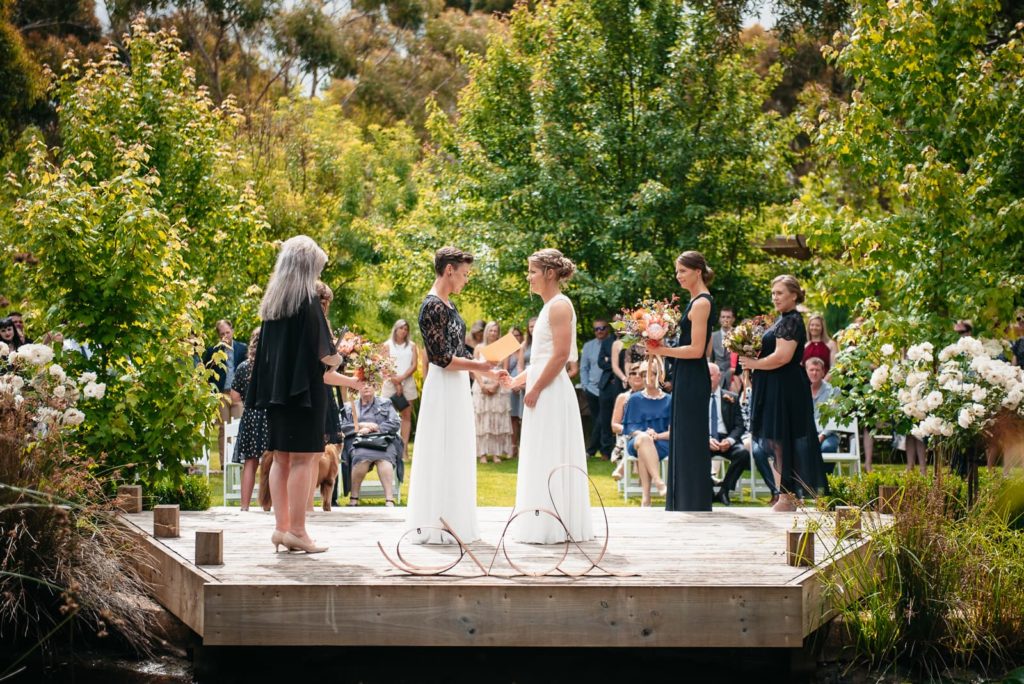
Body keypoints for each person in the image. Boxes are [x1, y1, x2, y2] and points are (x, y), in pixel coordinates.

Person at [246, 235, 363, 554]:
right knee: (305, 459)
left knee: (281, 459)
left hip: (277, 394)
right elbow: (325, 354)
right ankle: (298, 530)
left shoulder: (274, 303)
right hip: (305, 394)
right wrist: (343, 356)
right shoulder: (308, 302)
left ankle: (281, 528)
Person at [405, 247, 505, 544]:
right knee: (442, 449)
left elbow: (459, 351)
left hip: (457, 385)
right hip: (443, 386)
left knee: (457, 450)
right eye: (464, 273)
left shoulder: (448, 305)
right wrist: (479, 365)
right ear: (449, 270)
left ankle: (455, 518)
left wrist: (486, 367)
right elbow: (440, 357)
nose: (466, 279)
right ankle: (436, 522)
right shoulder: (432, 306)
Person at [504, 249, 593, 544]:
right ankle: (539, 521)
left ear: (549, 274)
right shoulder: (547, 308)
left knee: (551, 452)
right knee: (539, 454)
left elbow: (561, 356)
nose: (528, 277)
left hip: (552, 392)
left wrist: (538, 387)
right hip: (543, 385)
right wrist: (519, 379)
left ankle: (556, 524)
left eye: (532, 271)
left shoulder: (559, 306)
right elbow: (542, 357)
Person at [740, 275, 828, 512]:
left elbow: (782, 357)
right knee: (778, 442)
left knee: (784, 440)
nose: (775, 297)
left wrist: (754, 364)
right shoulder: (780, 320)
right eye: (773, 293)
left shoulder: (792, 321)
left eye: (779, 293)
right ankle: (786, 495)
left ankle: (788, 496)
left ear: (794, 295)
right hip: (773, 387)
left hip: (785, 389)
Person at [648, 251, 714, 512]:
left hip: (694, 374)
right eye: (676, 272)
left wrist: (662, 351)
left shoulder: (702, 303)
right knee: (683, 436)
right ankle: (683, 501)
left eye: (682, 271)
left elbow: (697, 350)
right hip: (686, 374)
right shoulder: (694, 301)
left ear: (697, 270)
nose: (678, 276)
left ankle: (693, 501)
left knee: (690, 437)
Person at [339, 382, 403, 507]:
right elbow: (343, 426)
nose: (366, 387)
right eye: (362, 385)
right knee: (361, 457)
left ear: (375, 387)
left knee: (385, 459)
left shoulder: (386, 403)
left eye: (369, 384)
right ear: (357, 388)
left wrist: (375, 428)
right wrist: (361, 425)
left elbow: (395, 423)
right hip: (359, 442)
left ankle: (389, 499)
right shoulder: (348, 406)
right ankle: (354, 498)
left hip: (383, 441)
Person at [620, 359, 671, 507]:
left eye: (651, 374)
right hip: (636, 441)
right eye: (643, 375)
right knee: (643, 439)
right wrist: (646, 435)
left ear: (659, 376)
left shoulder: (670, 400)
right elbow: (629, 429)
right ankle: (658, 481)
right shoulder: (635, 399)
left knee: (645, 447)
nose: (647, 378)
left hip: (662, 443)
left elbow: (674, 431)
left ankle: (646, 499)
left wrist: (657, 436)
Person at [229, 327, 268, 511]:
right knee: (274, 463)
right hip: (271, 416)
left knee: (250, 463)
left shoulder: (244, 367)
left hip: (251, 416)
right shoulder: (273, 365)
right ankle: (270, 506)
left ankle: (244, 507)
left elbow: (234, 396)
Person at [203, 319, 248, 467]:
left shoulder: (242, 349)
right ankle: (224, 463)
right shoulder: (212, 352)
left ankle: (237, 460)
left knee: (238, 427)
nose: (225, 336)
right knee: (223, 428)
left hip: (238, 395)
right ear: (218, 336)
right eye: (222, 334)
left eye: (228, 332)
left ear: (232, 331)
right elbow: (206, 374)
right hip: (222, 395)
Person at [707, 362, 751, 506]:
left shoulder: (731, 397)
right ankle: (707, 490)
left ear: (719, 377)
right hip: (705, 440)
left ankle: (724, 490)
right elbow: (693, 425)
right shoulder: (697, 398)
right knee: (694, 453)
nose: (707, 378)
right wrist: (706, 439)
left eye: (711, 375)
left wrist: (730, 440)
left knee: (743, 454)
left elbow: (740, 425)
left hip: (726, 438)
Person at [473, 321, 514, 463]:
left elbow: (505, 368)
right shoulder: (479, 347)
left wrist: (496, 385)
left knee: (496, 420)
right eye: (491, 330)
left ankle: (496, 453)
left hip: (498, 387)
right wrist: (483, 385)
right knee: (482, 420)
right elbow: (474, 368)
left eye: (496, 331)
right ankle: (482, 453)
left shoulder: (503, 348)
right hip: (481, 386)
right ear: (486, 332)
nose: (493, 333)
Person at [381, 319, 420, 452]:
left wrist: (402, 379)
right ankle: (388, 446)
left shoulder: (412, 346)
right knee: (387, 415)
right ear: (395, 329)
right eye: (401, 328)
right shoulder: (387, 345)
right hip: (390, 383)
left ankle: (404, 450)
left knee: (406, 415)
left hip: (407, 383)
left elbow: (414, 365)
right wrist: (396, 382)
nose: (403, 331)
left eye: (406, 329)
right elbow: (385, 366)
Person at [579, 317, 611, 457]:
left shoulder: (614, 343)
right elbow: (584, 368)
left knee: (603, 419)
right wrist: (585, 385)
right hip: (591, 389)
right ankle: (601, 450)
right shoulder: (588, 346)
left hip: (608, 388)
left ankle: (592, 450)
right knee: (597, 419)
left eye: (602, 328)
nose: (599, 331)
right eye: (596, 329)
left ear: (607, 329)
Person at [610, 361, 646, 480]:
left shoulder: (655, 396)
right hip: (627, 436)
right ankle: (644, 482)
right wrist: (630, 430)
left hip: (651, 435)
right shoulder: (623, 398)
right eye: (633, 373)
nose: (637, 376)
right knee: (636, 437)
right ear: (628, 378)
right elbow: (614, 425)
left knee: (643, 438)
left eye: (641, 373)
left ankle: (622, 468)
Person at [806, 357, 840, 454]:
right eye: (811, 370)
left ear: (823, 372)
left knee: (828, 447)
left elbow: (834, 417)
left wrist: (822, 435)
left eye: (817, 370)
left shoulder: (834, 391)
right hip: (805, 434)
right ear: (806, 372)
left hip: (829, 434)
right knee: (800, 447)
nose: (814, 373)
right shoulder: (799, 391)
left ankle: (825, 470)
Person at [508, 325, 525, 457]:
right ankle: (513, 446)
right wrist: (511, 384)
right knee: (513, 417)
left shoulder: (524, 348)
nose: (515, 337)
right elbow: (505, 369)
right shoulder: (507, 351)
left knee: (523, 417)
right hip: (511, 385)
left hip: (524, 384)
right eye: (513, 335)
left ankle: (523, 445)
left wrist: (521, 383)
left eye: (518, 335)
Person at [708, 306, 736, 380]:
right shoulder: (712, 336)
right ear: (719, 319)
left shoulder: (738, 335)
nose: (725, 319)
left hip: (734, 377)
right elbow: (711, 359)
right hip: (717, 377)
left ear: (733, 319)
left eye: (728, 317)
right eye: (723, 317)